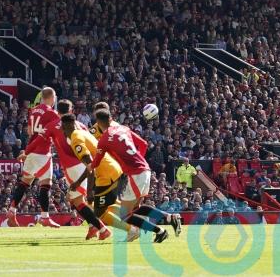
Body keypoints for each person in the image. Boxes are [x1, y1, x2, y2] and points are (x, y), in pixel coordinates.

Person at [90, 109, 181, 243]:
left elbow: (96, 163)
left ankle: (159, 231)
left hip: (135, 174)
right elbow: (143, 144)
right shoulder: (124, 128)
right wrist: (137, 160)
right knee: (135, 209)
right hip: (145, 169)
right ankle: (169, 218)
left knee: (124, 215)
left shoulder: (103, 139)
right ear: (111, 118)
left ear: (98, 122)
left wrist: (88, 168)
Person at [39, 99, 111, 240]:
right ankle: (93, 226)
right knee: (76, 199)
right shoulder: (81, 125)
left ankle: (102, 228)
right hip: (85, 164)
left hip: (72, 167)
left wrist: (27, 152)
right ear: (71, 111)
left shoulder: (54, 125)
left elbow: (41, 140)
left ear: (57, 111)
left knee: (76, 200)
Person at [62, 114, 140, 242]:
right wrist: (79, 182)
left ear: (66, 126)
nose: (62, 131)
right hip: (112, 168)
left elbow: (90, 166)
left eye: (62, 128)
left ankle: (132, 230)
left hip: (105, 174)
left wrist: (88, 191)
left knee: (100, 213)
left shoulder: (76, 139)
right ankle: (139, 220)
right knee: (108, 204)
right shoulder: (83, 133)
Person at [8, 87, 60, 228]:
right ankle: (45, 217)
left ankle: (12, 210)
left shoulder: (33, 110)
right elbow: (56, 132)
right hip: (43, 152)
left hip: (31, 150)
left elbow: (30, 132)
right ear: (52, 97)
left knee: (25, 182)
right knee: (46, 185)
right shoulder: (52, 113)